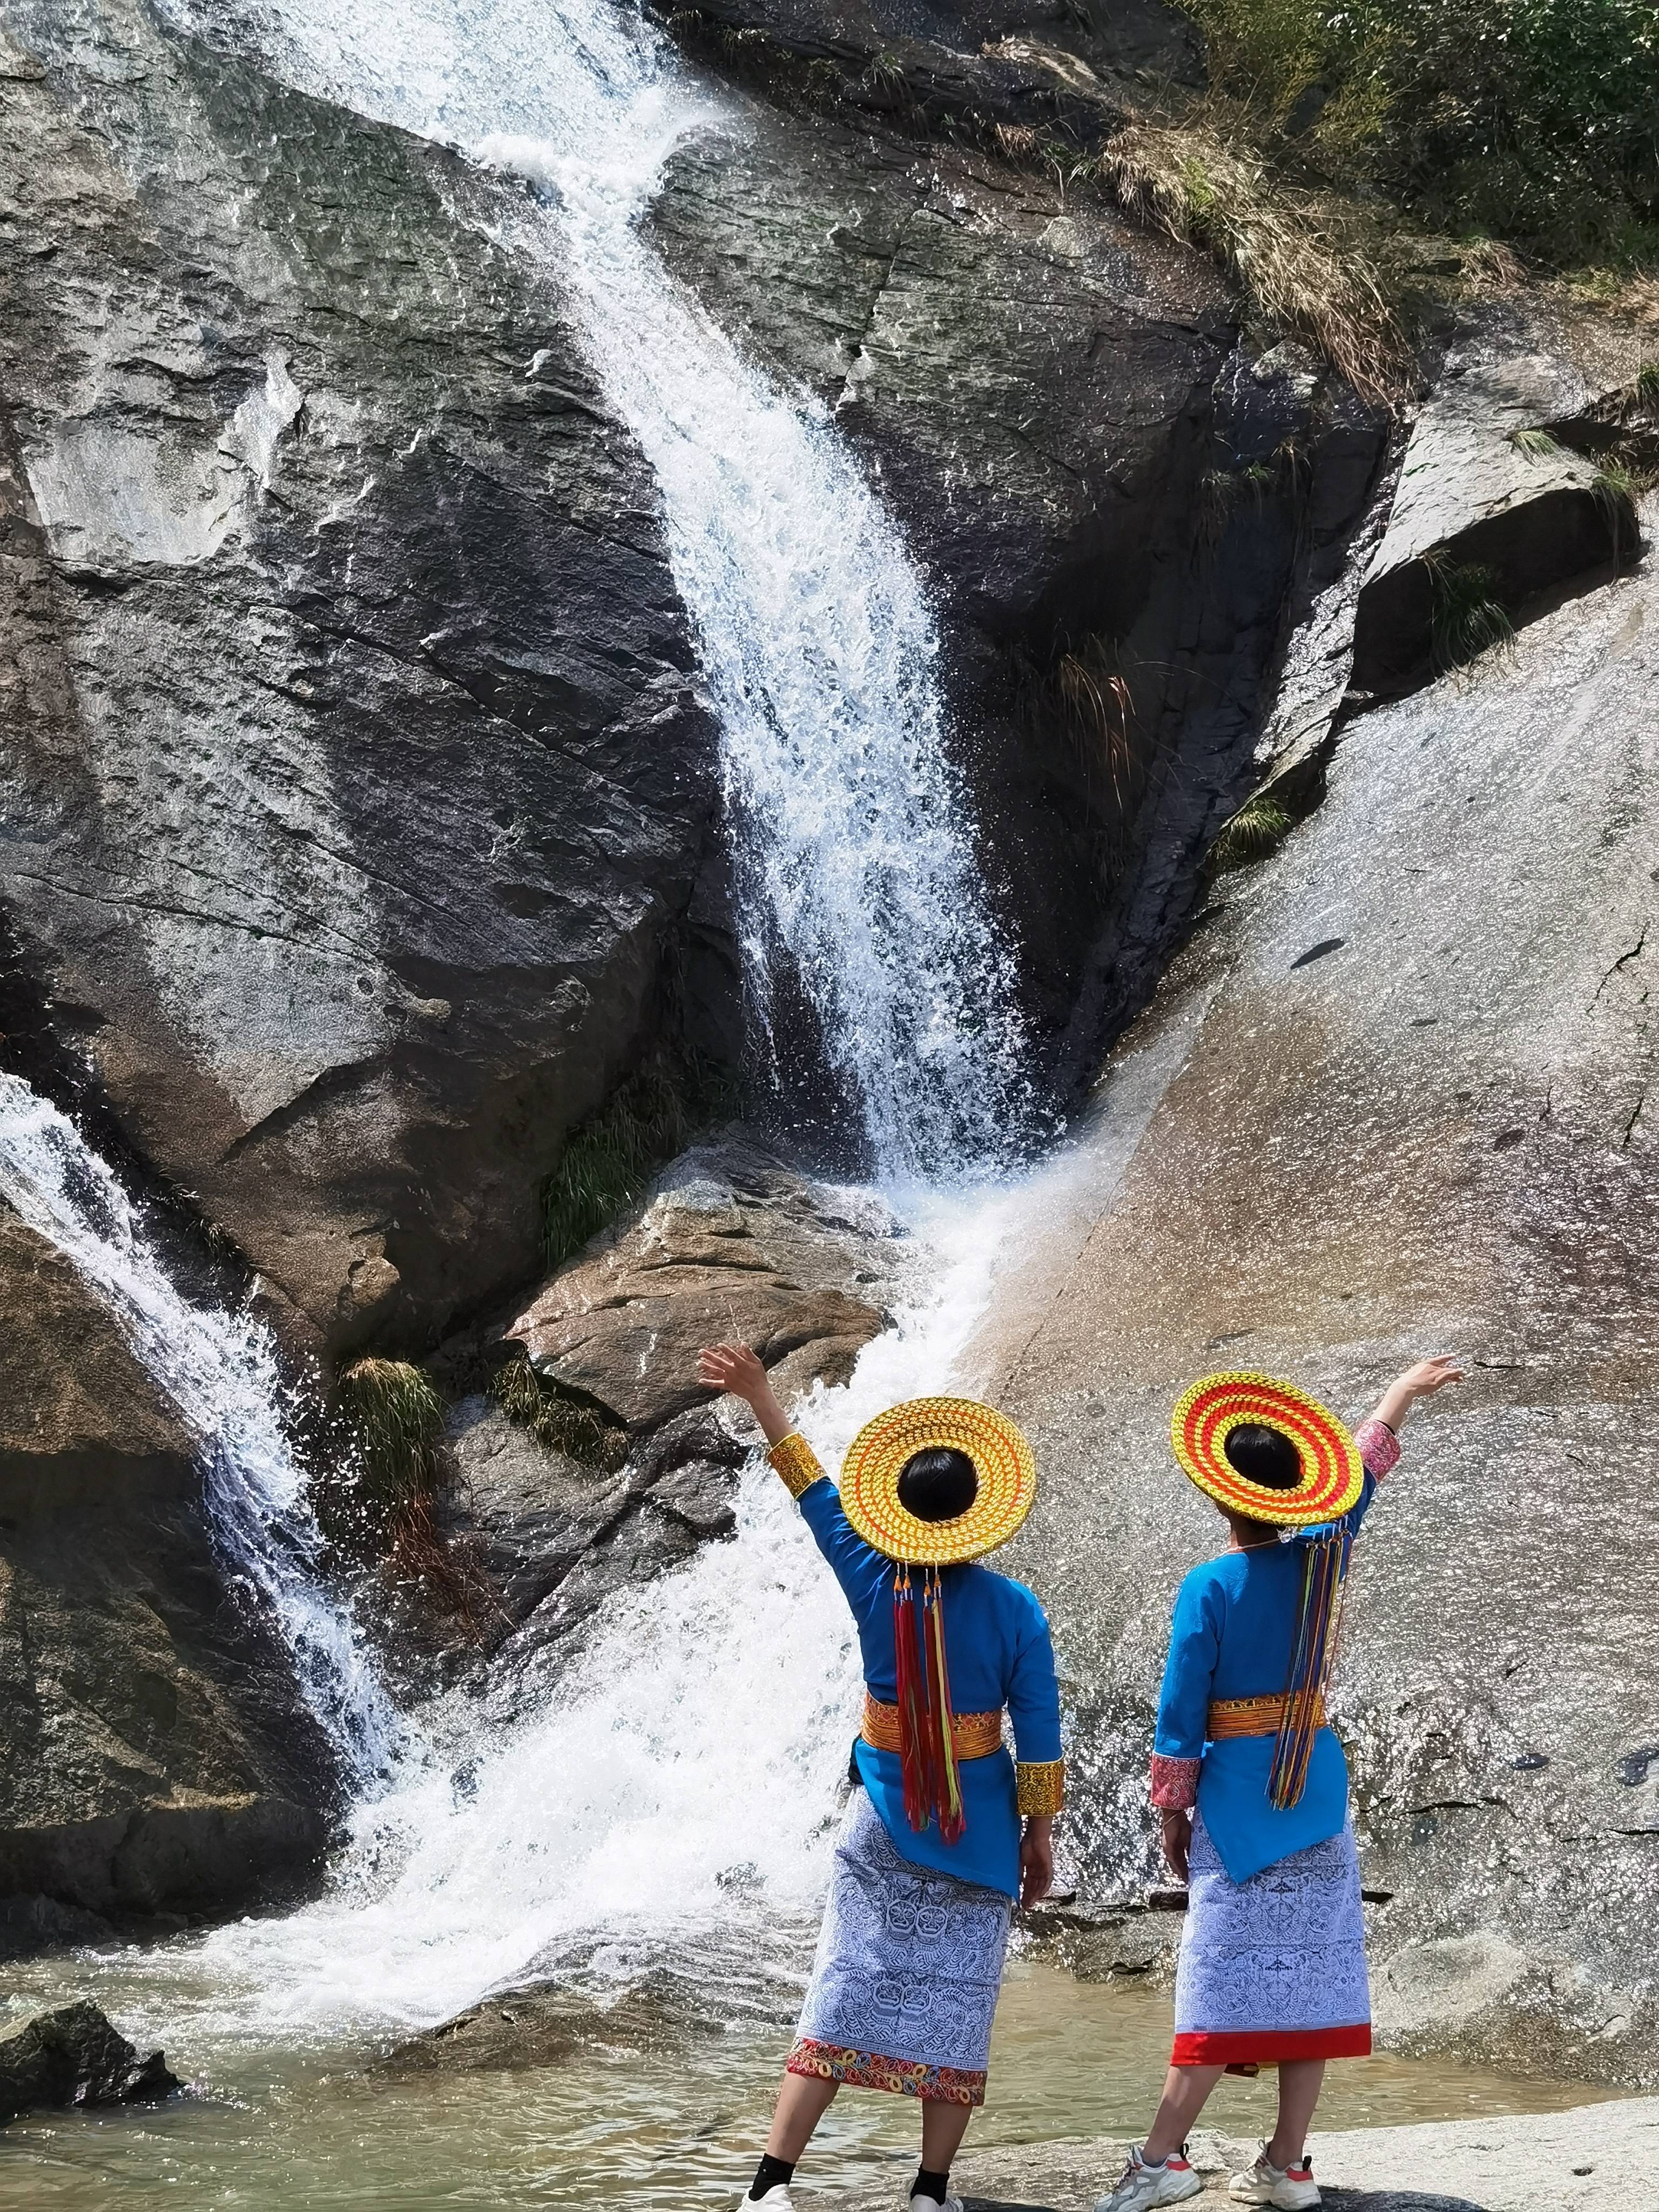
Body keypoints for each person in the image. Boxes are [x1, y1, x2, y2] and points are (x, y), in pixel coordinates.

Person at [698, 1343, 1065, 2212]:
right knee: (959, 2005)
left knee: (844, 1986)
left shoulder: (873, 1576)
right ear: (979, 1513)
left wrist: (762, 1397)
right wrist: (1039, 1835)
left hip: (883, 1815)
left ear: (899, 1512)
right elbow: (1041, 1735)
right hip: (976, 1832)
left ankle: (769, 2189)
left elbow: (813, 1494)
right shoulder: (1016, 1609)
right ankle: (930, 2194)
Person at [1096, 1357, 1464, 2212]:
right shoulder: (1324, 1559)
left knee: (1216, 1983)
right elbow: (1362, 1478)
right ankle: (1289, 2167)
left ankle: (1160, 2162)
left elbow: (1181, 1708)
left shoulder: (1209, 1585)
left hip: (1238, 1798)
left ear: (1219, 1492)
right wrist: (1399, 1395)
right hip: (1316, 1793)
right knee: (1316, 1978)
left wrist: (1170, 1812)